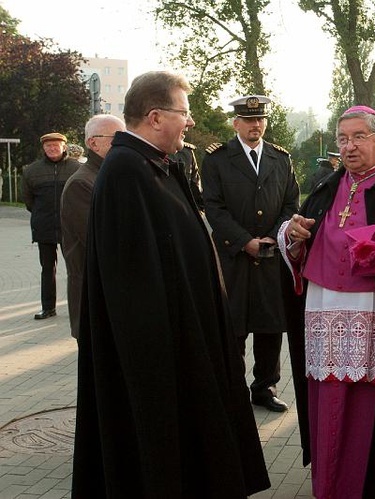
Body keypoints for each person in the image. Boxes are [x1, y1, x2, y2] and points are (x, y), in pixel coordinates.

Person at [72, 71, 270, 498]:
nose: (191, 122)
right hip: (163, 361)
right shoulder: (127, 171)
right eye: (185, 112)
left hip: (184, 346)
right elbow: (132, 290)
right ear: (156, 116)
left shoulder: (152, 165)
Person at [281, 105, 375, 498]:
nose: (349, 147)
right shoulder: (327, 186)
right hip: (323, 315)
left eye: (359, 137)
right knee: (328, 401)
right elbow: (300, 244)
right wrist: (293, 236)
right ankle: (331, 485)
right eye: (343, 139)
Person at [202, 94, 299, 413]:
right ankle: (232, 387)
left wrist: (271, 238)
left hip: (271, 257)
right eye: (248, 120)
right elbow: (213, 208)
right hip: (233, 256)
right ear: (236, 123)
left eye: (259, 119)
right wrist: (245, 241)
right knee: (233, 325)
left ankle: (265, 387)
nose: (255, 125)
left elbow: (290, 205)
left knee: (270, 325)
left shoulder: (280, 158)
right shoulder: (217, 159)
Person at [60, 114, 126, 339]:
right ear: (93, 143)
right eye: (116, 137)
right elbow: (101, 242)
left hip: (110, 294)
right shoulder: (82, 183)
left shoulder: (109, 176)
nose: (122, 142)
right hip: (93, 299)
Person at [21, 132, 80, 320]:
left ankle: (79, 307)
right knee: (47, 269)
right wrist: (42, 215)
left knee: (75, 269)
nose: (52, 149)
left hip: (70, 227)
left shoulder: (76, 168)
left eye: (56, 145)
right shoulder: (32, 171)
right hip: (44, 227)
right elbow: (28, 201)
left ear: (64, 147)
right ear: (43, 149)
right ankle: (48, 308)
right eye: (48, 146)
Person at [171, 141, 204, 210]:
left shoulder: (187, 152)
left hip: (183, 210)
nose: (186, 129)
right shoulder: (149, 150)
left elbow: (195, 184)